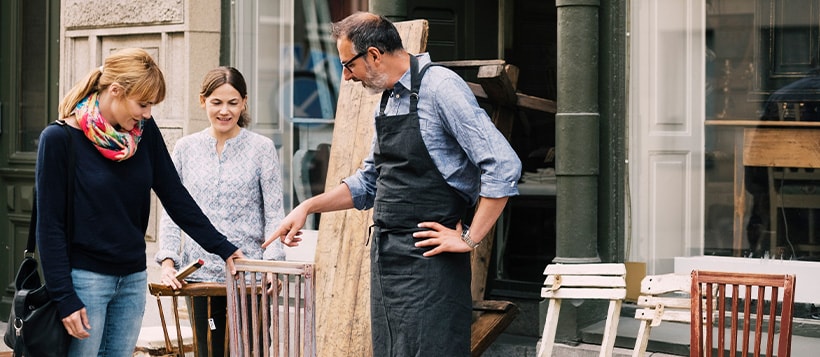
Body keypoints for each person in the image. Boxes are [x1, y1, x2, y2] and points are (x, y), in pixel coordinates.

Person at [263, 12, 522, 356]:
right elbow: (370, 180)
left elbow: (502, 165)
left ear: (373, 54)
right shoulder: (390, 99)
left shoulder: (441, 87)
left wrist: (469, 238)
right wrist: (307, 206)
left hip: (431, 266)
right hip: (388, 261)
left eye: (348, 65)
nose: (346, 76)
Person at [36, 48, 245, 357]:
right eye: (143, 104)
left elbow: (176, 197)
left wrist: (225, 248)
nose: (147, 114)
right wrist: (64, 297)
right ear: (116, 91)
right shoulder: (59, 139)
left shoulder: (143, 134)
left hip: (132, 279)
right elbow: (49, 227)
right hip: (85, 281)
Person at [155, 66, 286, 356]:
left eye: (233, 102)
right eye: (216, 102)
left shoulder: (261, 149)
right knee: (209, 351)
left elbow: (275, 213)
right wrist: (168, 261)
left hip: (249, 278)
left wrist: (272, 266)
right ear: (203, 101)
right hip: (201, 279)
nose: (224, 111)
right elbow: (172, 212)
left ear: (244, 103)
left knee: (252, 351)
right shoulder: (185, 148)